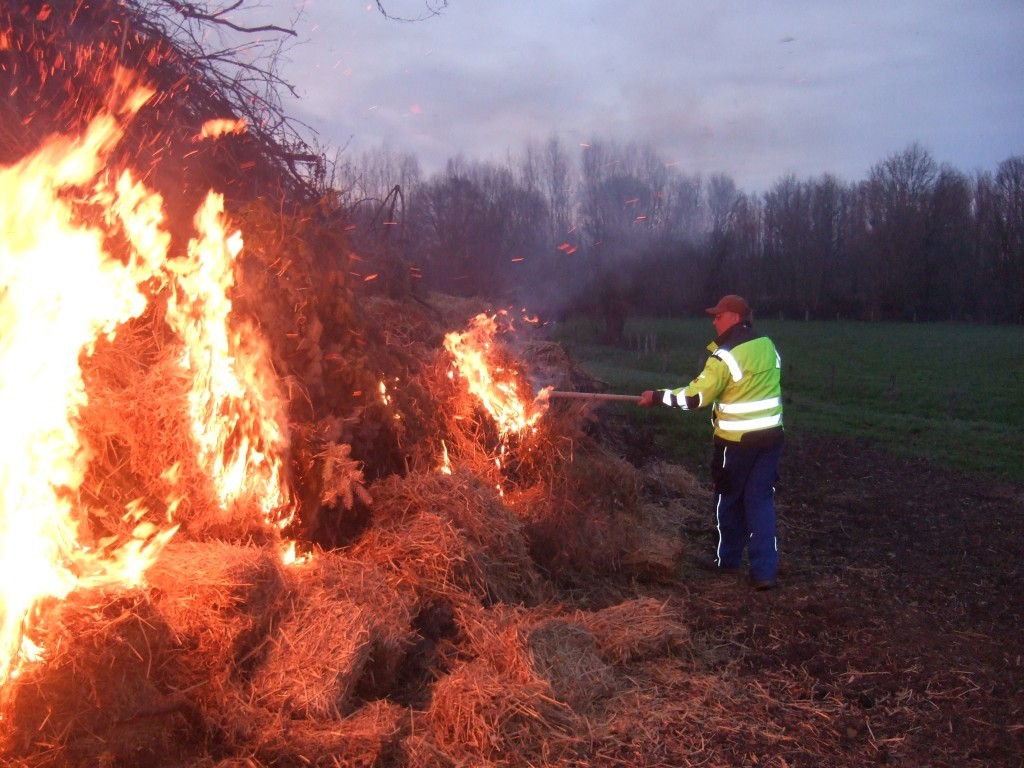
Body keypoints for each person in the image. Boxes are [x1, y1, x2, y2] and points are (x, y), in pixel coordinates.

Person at [638, 295, 783, 590]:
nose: (713, 320)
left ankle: (727, 562)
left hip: (736, 444)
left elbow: (694, 398)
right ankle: (764, 572)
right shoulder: (766, 344)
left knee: (727, 502)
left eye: (718, 315)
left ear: (734, 316)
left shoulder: (725, 355)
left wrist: (657, 396)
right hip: (771, 439)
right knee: (761, 503)